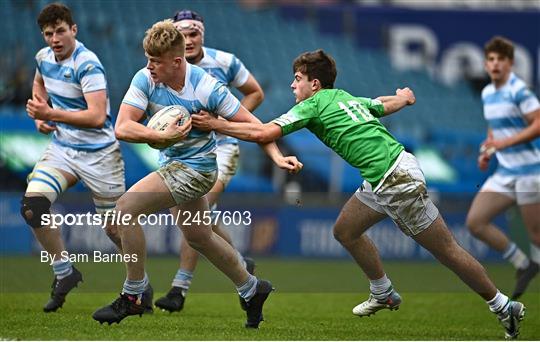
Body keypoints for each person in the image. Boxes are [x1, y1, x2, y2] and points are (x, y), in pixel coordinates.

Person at [192, 49, 527, 339]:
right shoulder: (343, 98)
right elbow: (379, 104)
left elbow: (264, 132)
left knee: (447, 250)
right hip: (384, 177)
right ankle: (382, 291)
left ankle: (503, 306)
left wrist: (216, 124)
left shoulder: (314, 105)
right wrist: (405, 99)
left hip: (396, 180)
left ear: (315, 84)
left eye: (297, 78)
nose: (293, 85)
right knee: (345, 230)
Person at [91, 20, 302, 328]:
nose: (149, 66)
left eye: (155, 62)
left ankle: (133, 295)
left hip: (198, 169)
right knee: (200, 237)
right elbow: (122, 127)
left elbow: (254, 125)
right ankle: (252, 288)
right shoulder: (145, 78)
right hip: (171, 163)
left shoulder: (206, 87)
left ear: (177, 62)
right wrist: (164, 139)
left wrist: (277, 156)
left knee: (124, 210)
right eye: (148, 59)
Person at [21, 2, 154, 313]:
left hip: (100, 155)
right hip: (63, 150)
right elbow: (39, 82)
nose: (55, 38)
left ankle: (140, 283)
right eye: (49, 33)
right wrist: (41, 116)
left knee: (114, 229)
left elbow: (97, 117)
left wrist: (49, 111)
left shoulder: (88, 63)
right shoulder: (43, 57)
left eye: (61, 31)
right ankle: (64, 272)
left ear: (74, 30)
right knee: (33, 206)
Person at [154, 9, 264, 312]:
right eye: (182, 34)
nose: (188, 40)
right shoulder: (163, 67)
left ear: (203, 34)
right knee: (200, 219)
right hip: (182, 154)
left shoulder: (225, 61)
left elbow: (255, 92)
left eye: (194, 34)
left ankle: (179, 289)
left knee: (197, 213)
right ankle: (241, 264)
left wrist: (222, 119)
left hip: (222, 148)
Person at [466, 36, 540, 300]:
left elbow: (538, 124)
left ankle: (533, 261)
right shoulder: (488, 93)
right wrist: (488, 149)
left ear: (510, 64)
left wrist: (505, 142)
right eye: (491, 59)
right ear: (486, 64)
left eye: (501, 60)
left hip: (530, 171)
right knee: (475, 222)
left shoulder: (519, 90)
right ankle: (523, 263)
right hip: (505, 172)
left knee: (536, 235)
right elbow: (493, 128)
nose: (495, 64)